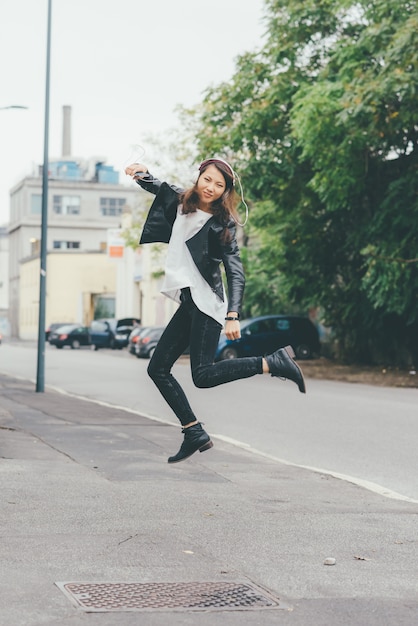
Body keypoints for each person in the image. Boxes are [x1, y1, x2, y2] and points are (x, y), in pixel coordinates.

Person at [125, 157, 306, 464]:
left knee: (203, 375)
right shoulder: (183, 201)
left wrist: (233, 315)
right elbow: (158, 186)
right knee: (157, 368)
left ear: (226, 192)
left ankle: (273, 363)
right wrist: (139, 173)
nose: (211, 188)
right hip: (190, 302)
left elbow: (236, 272)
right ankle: (193, 431)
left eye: (219, 185)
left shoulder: (223, 226)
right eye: (207, 180)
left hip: (207, 304)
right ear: (199, 179)